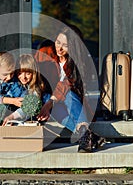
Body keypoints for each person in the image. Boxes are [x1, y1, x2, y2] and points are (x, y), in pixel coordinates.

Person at [34, 25, 101, 153]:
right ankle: (88, 136)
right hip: (49, 101)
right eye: (58, 42)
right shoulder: (45, 53)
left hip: (71, 102)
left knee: (69, 94)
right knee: (54, 105)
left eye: (65, 45)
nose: (59, 48)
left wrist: (50, 103)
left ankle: (84, 136)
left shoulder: (79, 62)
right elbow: (28, 67)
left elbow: (65, 85)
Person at [2, 53, 51, 125]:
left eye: (28, 73)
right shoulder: (14, 82)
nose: (23, 77)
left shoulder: (36, 87)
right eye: (20, 73)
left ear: (34, 73)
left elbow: (29, 106)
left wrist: (12, 117)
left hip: (30, 116)